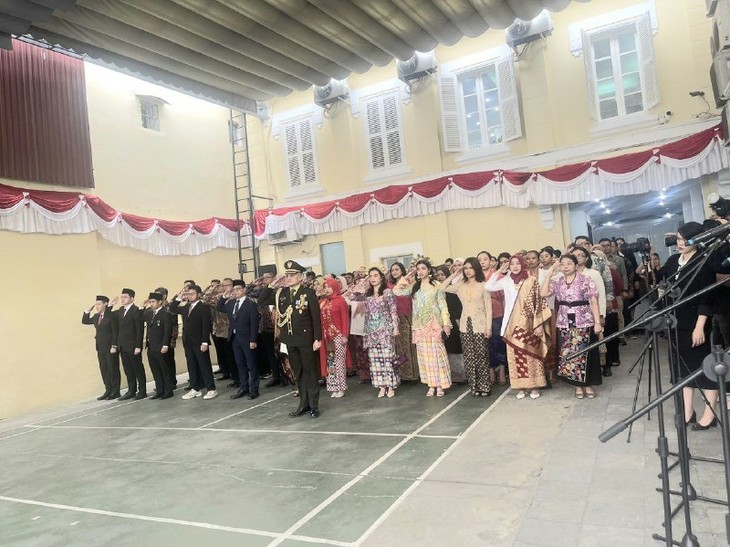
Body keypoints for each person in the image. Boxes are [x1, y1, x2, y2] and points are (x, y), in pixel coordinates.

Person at [657, 222, 721, 430]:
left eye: (685, 239)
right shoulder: (674, 260)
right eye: (678, 239)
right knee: (682, 369)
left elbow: (707, 296)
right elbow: (662, 280)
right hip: (676, 321)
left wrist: (700, 326)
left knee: (703, 368)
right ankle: (687, 412)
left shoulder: (704, 260)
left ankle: (709, 414)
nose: (681, 243)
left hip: (697, 320)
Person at [486, 255, 551, 399]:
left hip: (529, 324)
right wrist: (498, 272)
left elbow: (538, 303)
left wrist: (539, 324)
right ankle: (520, 387)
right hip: (512, 325)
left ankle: (534, 386)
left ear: (523, 264)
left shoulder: (531, 280)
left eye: (517, 263)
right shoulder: (506, 280)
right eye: (512, 264)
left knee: (531, 355)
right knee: (515, 357)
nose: (515, 266)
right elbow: (488, 286)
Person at [541, 255, 603, 399]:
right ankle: (577, 386)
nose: (566, 266)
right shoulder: (558, 282)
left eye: (569, 263)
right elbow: (543, 293)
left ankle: (588, 384)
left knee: (585, 353)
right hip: (564, 322)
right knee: (570, 354)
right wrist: (550, 272)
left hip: (584, 320)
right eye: (562, 264)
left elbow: (594, 301)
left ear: (576, 265)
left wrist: (598, 322)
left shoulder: (585, 280)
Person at [394, 259, 451, 397]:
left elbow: (443, 305)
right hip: (419, 326)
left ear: (429, 270)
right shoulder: (414, 286)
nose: (420, 271)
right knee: (425, 357)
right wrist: (407, 277)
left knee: (437, 355)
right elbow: (396, 291)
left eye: (423, 268)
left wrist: (446, 323)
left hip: (434, 324)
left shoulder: (437, 285)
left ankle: (440, 385)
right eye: (418, 269)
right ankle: (431, 385)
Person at [276, 260, 323, 418]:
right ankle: (303, 403)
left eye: (292, 274)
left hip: (306, 339)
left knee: (310, 372)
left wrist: (318, 339)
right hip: (290, 339)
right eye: (287, 275)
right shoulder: (282, 294)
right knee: (299, 373)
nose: (289, 278)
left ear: (300, 276)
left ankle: (314, 406)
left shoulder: (308, 293)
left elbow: (316, 318)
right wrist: (271, 285)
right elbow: (263, 299)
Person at [440, 257, 493, 396]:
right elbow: (442, 287)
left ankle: (484, 386)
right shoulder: (460, 284)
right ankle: (474, 387)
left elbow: (489, 307)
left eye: (471, 268)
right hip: (465, 325)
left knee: (481, 355)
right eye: (466, 268)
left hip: (480, 325)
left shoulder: (483, 285)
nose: (468, 271)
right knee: (469, 357)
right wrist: (454, 274)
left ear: (476, 268)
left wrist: (488, 327)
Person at [348, 268, 400, 397]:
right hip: (371, 332)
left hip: (385, 330)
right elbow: (352, 302)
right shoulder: (366, 294)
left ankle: (391, 386)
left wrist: (395, 327)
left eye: (376, 275)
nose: (373, 278)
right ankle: (381, 386)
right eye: (370, 276)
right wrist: (359, 286)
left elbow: (393, 310)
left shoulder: (387, 292)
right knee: (375, 360)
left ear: (381, 278)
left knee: (388, 359)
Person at [170, 284, 217, 400]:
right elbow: (172, 309)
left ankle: (211, 389)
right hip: (188, 341)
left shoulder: (204, 307)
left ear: (199, 294)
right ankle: (195, 388)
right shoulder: (186, 307)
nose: (190, 296)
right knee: (192, 365)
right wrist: (179, 297)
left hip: (200, 341)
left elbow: (206, 326)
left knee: (204, 365)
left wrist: (205, 342)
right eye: (188, 294)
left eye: (192, 294)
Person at [218, 280, 261, 400]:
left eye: (238, 289)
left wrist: (253, 340)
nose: (236, 292)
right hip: (235, 338)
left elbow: (254, 323)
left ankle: (254, 389)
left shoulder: (250, 304)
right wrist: (224, 296)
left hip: (247, 338)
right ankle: (243, 387)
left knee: (251, 364)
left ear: (244, 290)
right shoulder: (231, 303)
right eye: (234, 290)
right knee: (240, 364)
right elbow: (219, 307)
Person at [81, 295, 120, 400]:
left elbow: (115, 332)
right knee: (104, 369)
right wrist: (88, 310)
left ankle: (116, 391)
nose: (97, 306)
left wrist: (114, 345)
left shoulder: (111, 316)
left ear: (105, 304)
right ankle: (108, 390)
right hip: (100, 347)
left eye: (99, 304)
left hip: (110, 347)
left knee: (113, 369)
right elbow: (85, 321)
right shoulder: (96, 316)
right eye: (96, 304)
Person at [479, 251, 507, 386]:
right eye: (480, 260)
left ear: (491, 261)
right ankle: (490, 372)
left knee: (499, 343)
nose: (482, 262)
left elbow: (504, 298)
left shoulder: (499, 276)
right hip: (481, 316)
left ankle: (501, 371)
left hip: (497, 314)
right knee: (486, 345)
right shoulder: (476, 277)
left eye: (485, 259)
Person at [319, 277, 350, 398]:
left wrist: (345, 335)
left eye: (329, 286)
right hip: (327, 337)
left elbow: (345, 318)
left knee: (339, 362)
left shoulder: (340, 300)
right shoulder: (323, 302)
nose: (327, 289)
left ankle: (341, 387)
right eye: (325, 287)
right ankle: (333, 386)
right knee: (330, 362)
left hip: (338, 335)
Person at [113, 288, 146, 400]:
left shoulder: (136, 310)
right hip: (123, 346)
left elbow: (139, 329)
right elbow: (110, 317)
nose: (123, 299)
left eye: (125, 297)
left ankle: (142, 391)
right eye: (122, 297)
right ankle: (131, 390)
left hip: (133, 346)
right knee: (128, 370)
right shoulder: (121, 310)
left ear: (132, 298)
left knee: (138, 369)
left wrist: (138, 346)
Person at [435, 265, 465, 384]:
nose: (440, 277)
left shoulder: (452, 290)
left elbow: (457, 309)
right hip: (440, 323)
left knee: (455, 349)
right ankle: (447, 375)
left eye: (442, 275)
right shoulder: (436, 290)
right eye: (438, 275)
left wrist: (458, 324)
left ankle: (459, 375)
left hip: (452, 322)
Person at [202, 279, 236, 383]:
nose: (225, 287)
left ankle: (235, 375)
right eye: (223, 285)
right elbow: (205, 299)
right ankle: (226, 372)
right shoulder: (218, 296)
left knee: (232, 354)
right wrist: (213, 288)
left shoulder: (235, 295)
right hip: (219, 329)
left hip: (230, 329)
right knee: (222, 353)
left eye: (228, 285)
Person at [143, 292, 174, 399]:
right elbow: (139, 316)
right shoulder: (149, 313)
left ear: (160, 302)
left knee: (164, 369)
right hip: (151, 346)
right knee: (155, 369)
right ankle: (160, 390)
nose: (151, 304)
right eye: (150, 302)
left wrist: (165, 344)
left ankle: (168, 390)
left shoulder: (165, 314)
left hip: (161, 345)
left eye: (153, 302)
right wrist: (142, 307)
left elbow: (167, 330)